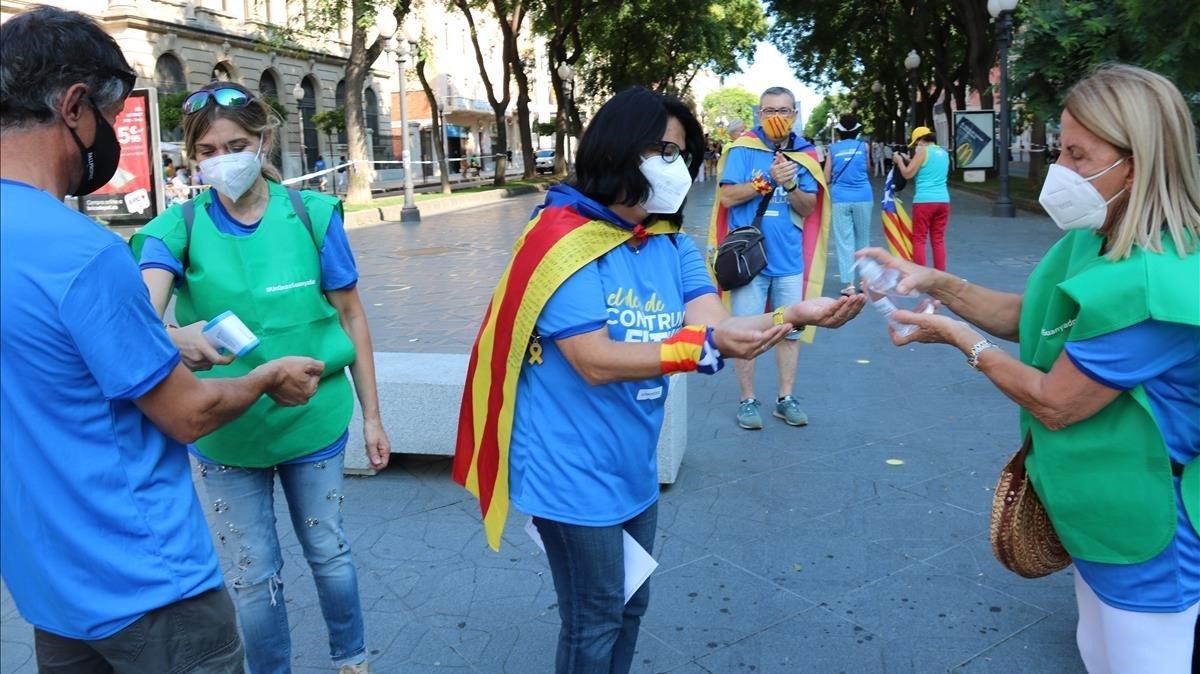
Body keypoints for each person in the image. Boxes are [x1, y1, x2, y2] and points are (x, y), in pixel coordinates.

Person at [453, 87, 863, 674]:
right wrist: (700, 347)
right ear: (620, 150)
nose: (678, 168)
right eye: (665, 151)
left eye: (683, 155)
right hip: (570, 469)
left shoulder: (670, 242)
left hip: (632, 462)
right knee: (595, 618)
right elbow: (594, 359)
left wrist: (788, 316)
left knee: (630, 604)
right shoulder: (561, 239)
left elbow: (715, 325)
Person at [0, 8, 324, 673]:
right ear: (74, 106)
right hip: (149, 587)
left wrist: (166, 340)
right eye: (113, 120)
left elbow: (46, 358)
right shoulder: (82, 254)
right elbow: (187, 413)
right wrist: (266, 378)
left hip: (48, 587)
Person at [860, 64, 1199, 674]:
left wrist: (957, 336)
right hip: (1096, 504)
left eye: (1077, 153)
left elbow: (1056, 401)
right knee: (1098, 653)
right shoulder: (1097, 234)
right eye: (1061, 149)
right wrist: (935, 280)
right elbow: (1034, 317)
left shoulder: (1158, 280)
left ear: (1138, 161)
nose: (1058, 170)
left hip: (1149, 520)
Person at [131, 81, 390, 674]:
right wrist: (175, 338)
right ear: (191, 158)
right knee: (252, 575)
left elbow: (352, 315)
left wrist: (374, 417)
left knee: (328, 551)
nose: (223, 159)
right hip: (227, 433)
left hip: (315, 420)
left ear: (264, 140)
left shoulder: (313, 215)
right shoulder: (177, 228)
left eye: (236, 143)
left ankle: (352, 660)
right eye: (206, 151)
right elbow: (141, 320)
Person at [712, 86, 833, 430]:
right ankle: (747, 399)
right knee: (745, 332)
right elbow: (728, 198)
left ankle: (786, 398)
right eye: (769, 111)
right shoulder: (743, 148)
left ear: (794, 113)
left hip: (788, 259)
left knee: (789, 331)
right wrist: (766, 181)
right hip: (749, 259)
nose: (776, 117)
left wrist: (792, 185)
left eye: (783, 110)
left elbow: (809, 207)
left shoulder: (806, 153)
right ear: (759, 114)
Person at [824, 114, 874, 296]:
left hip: (840, 199)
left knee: (844, 241)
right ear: (856, 131)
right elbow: (868, 168)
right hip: (863, 196)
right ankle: (865, 281)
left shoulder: (832, 149)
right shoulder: (864, 146)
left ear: (839, 133)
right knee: (863, 240)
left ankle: (849, 285)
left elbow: (827, 177)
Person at [893, 125, 951, 270]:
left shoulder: (923, 151)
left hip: (924, 201)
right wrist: (909, 159)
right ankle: (940, 276)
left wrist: (899, 161)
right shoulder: (944, 153)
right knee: (938, 239)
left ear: (921, 140)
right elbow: (927, 168)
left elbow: (907, 174)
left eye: (917, 143)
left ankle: (920, 276)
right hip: (943, 201)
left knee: (919, 239)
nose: (916, 146)